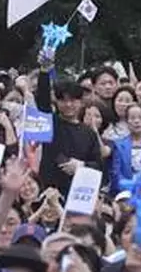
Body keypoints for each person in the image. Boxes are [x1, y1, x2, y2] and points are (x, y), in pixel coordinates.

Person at [34, 65, 104, 195]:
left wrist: (81, 166)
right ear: (56, 101)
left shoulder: (89, 133)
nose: (68, 105)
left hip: (77, 193)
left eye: (73, 100)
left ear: (81, 102)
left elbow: (98, 165)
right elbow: (43, 102)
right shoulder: (51, 123)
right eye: (63, 100)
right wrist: (44, 72)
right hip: (49, 191)